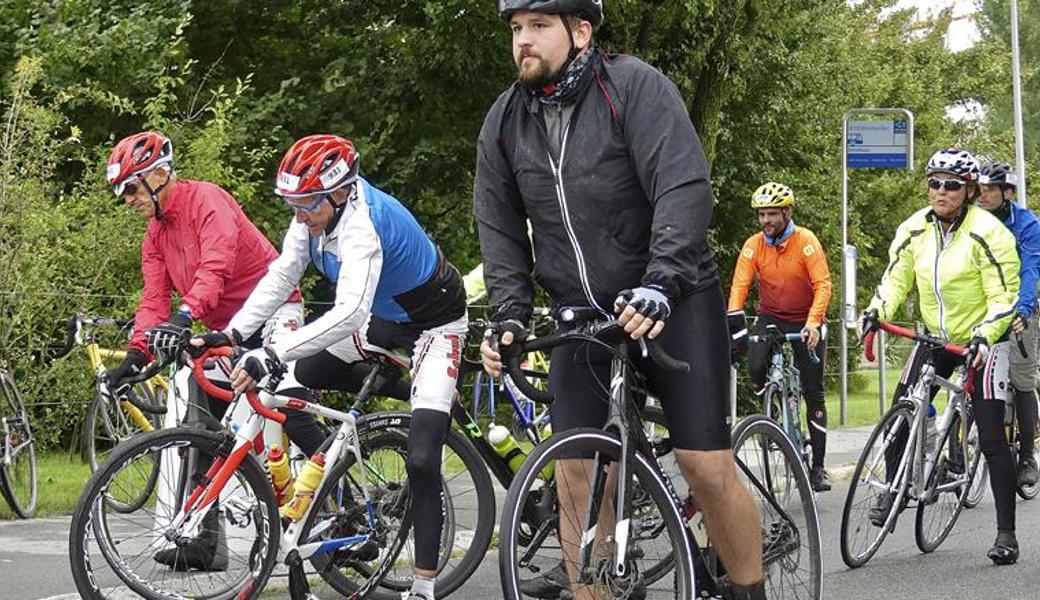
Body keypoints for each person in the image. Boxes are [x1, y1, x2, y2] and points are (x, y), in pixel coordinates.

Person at [474, 2, 765, 598]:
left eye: (538, 26)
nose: (522, 41)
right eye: (515, 29)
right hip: (583, 316)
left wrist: (661, 281)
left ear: (581, 32)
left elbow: (682, 186)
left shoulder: (634, 88)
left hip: (673, 299)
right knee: (577, 475)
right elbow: (498, 228)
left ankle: (748, 587)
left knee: (703, 465)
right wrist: (507, 312)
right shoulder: (505, 122)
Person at [201, 134, 467, 600]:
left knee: (423, 460)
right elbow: (283, 274)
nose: (299, 215)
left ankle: (424, 585)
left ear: (340, 192)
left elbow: (349, 314)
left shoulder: (363, 224)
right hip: (385, 321)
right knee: (290, 383)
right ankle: (350, 460)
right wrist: (236, 333)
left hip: (433, 325)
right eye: (292, 204)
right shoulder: (312, 217)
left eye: (307, 204)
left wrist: (273, 351)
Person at [103, 130, 325, 571]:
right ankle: (201, 541)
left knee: (282, 402)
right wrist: (137, 355)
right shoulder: (155, 237)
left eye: (131, 187)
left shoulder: (207, 200)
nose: (127, 198)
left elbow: (215, 267)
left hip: (273, 310)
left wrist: (186, 316)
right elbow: (152, 303)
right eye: (121, 191)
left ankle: (336, 501)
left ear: (159, 174)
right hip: (226, 329)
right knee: (201, 422)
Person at [860, 148, 1021, 564]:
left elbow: (1003, 295)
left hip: (982, 341)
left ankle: (1006, 533)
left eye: (951, 184)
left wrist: (985, 336)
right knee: (902, 409)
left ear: (968, 190)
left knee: (989, 435)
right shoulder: (915, 228)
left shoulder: (989, 232)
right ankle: (895, 491)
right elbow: (896, 279)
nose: (941, 191)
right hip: (935, 339)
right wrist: (877, 310)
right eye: (934, 182)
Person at [728, 182, 833, 491]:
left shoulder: (806, 242)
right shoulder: (754, 244)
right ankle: (770, 405)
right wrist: (735, 324)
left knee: (813, 390)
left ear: (787, 212)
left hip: (806, 319)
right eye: (761, 215)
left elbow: (823, 285)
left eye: (772, 214)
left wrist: (813, 323)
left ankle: (818, 468)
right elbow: (739, 286)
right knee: (755, 367)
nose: (766, 221)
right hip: (771, 316)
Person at [977, 160, 1040, 486]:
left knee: (1022, 379)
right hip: (981, 309)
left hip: (1018, 309)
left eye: (990, 189)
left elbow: (1030, 270)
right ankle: (956, 455)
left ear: (1007, 192)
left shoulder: (1027, 225)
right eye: (981, 188)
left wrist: (1024, 310)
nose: (982, 195)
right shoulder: (971, 220)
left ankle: (1028, 455)